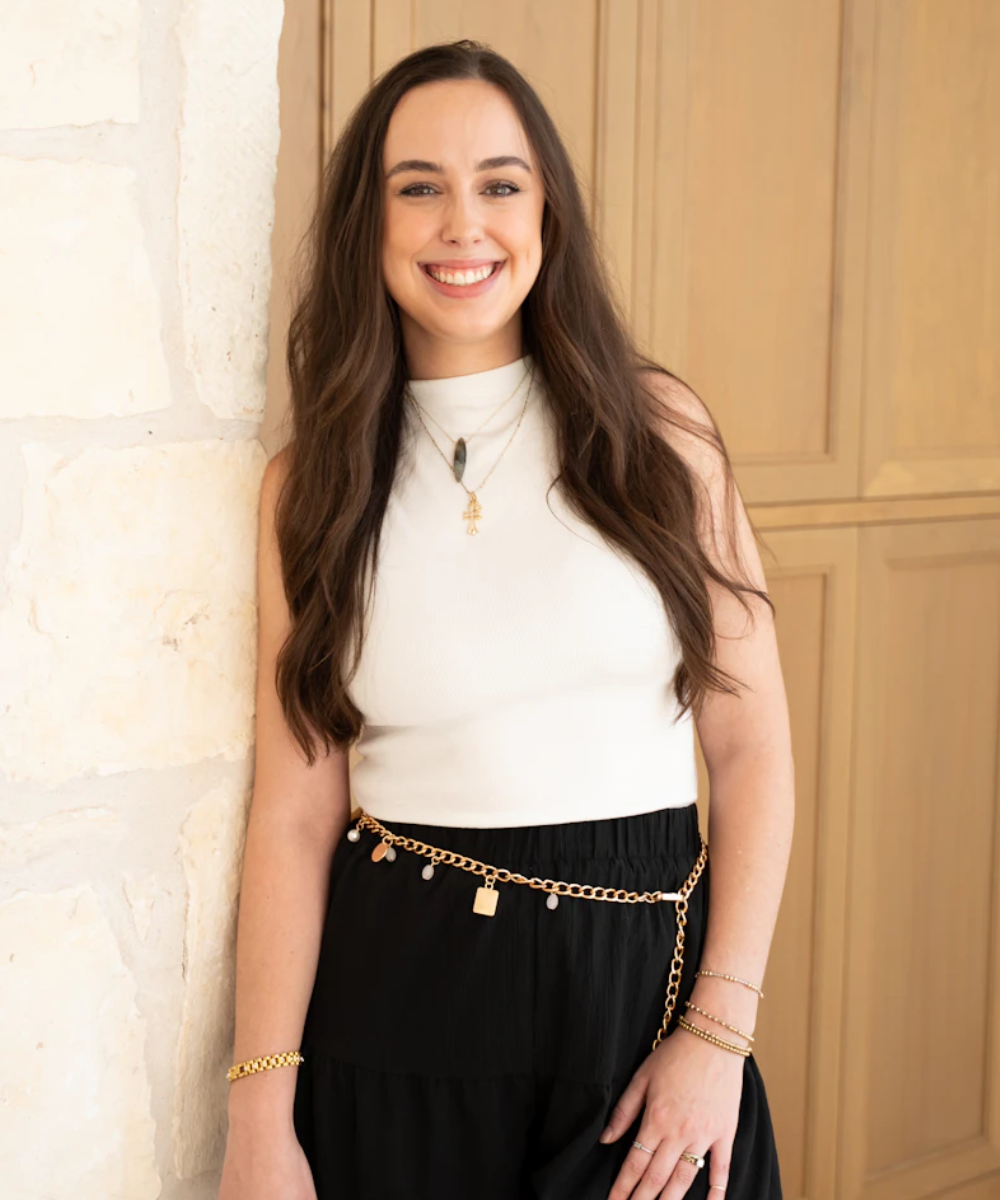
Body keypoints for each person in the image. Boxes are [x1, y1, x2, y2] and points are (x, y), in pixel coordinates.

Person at [218, 38, 794, 1200]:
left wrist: (718, 1033)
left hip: (640, 1018)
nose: (462, 225)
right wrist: (258, 1122)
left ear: (547, 214)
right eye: (417, 187)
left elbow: (750, 748)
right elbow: (294, 815)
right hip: (395, 1020)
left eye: (499, 184)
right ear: (368, 222)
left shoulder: (660, 436)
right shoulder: (310, 489)